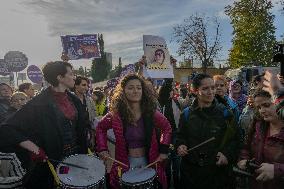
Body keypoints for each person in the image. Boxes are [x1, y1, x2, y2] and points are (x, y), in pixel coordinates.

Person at [0, 61, 89, 189]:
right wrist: (34, 149)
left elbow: (80, 126)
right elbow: (7, 129)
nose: (74, 77)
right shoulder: (38, 103)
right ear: (59, 77)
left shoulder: (74, 99)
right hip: (53, 160)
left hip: (76, 155)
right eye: (71, 73)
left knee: (75, 184)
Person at [96, 74, 172, 189]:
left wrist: (163, 151)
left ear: (143, 91)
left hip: (150, 162)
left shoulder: (151, 112)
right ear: (123, 91)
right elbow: (100, 128)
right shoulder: (115, 115)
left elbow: (167, 128)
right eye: (130, 88)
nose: (135, 91)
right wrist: (102, 149)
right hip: (125, 164)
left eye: (138, 87)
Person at [176, 73, 240, 189]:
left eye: (213, 87)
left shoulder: (226, 113)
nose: (211, 91)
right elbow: (180, 135)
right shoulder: (186, 114)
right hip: (191, 174)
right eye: (205, 88)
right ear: (195, 91)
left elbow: (236, 139)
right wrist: (181, 145)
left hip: (217, 175)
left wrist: (227, 154)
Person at [238, 89, 284, 189]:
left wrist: (277, 170)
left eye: (267, 105)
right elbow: (246, 146)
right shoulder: (258, 125)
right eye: (259, 107)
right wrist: (244, 159)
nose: (262, 111)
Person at [158, 78, 181, 189]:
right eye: (170, 90)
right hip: (165, 135)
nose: (173, 91)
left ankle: (177, 184)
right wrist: (168, 79)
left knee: (176, 161)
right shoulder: (161, 102)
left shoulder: (175, 101)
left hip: (175, 134)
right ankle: (166, 184)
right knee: (166, 161)